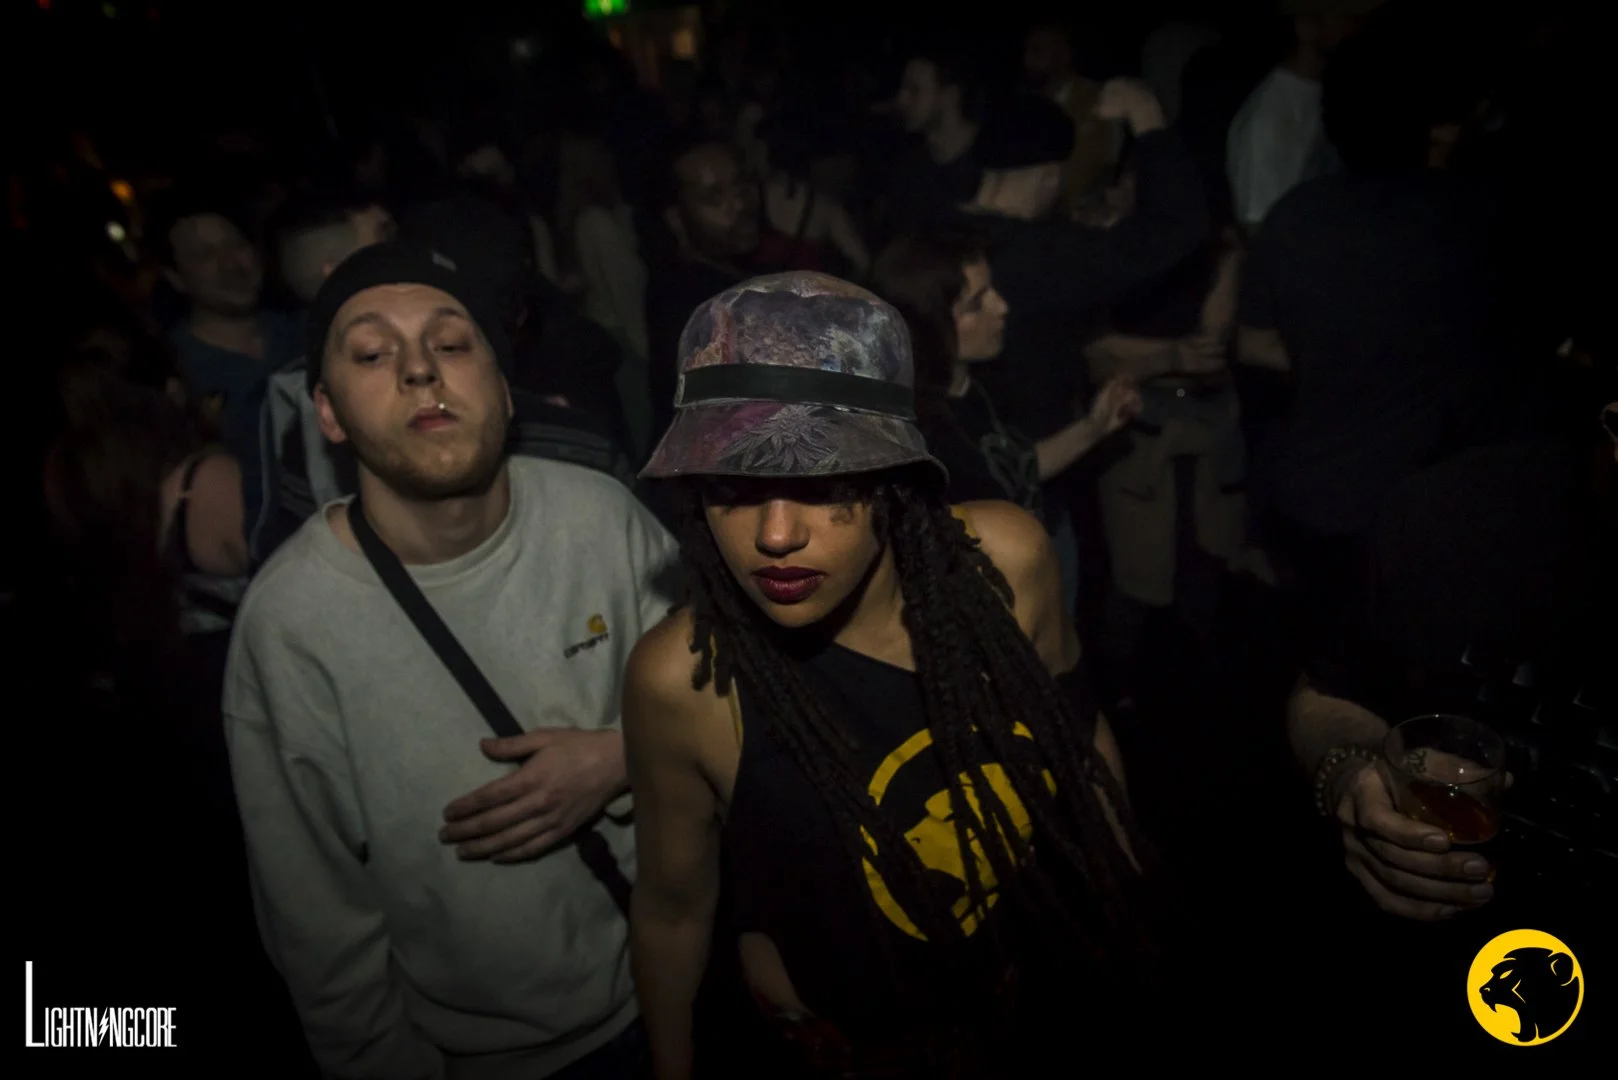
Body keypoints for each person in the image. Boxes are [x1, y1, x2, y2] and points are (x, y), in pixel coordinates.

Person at [624, 272, 1161, 1079]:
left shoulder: (1003, 566)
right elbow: (671, 914)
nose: (774, 535)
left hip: (1032, 1006)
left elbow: (1079, 742)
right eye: (735, 488)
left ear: (891, 478)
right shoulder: (684, 681)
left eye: (821, 481)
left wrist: (1127, 922)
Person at [225, 241, 681, 1078]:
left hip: (683, 988)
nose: (419, 372)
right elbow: (317, 920)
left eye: (452, 343)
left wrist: (624, 754)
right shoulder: (291, 624)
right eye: (371, 353)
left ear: (504, 389)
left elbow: (730, 692)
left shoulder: (600, 516)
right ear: (327, 414)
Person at [872, 231, 1139, 516]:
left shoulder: (973, 387)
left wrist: (1095, 426)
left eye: (992, 290)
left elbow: (1014, 468)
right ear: (927, 326)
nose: (1002, 306)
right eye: (975, 304)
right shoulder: (918, 436)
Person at [152, 187, 302, 539]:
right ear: (175, 277)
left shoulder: (304, 332)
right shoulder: (174, 371)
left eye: (236, 245)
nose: (231, 264)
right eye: (205, 255)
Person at [644, 142, 762, 449]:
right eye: (714, 197)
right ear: (676, 219)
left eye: (740, 187)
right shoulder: (691, 300)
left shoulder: (742, 277)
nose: (738, 204)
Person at [1224, 0, 1378, 230]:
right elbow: (1259, 231)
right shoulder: (1265, 121)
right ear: (1305, 25)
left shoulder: (1346, 96)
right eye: (1344, 15)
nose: (1358, 25)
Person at [555, 131, 652, 459]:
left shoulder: (593, 216)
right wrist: (645, 349)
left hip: (613, 332)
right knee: (642, 431)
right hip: (623, 336)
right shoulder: (596, 221)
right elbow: (622, 288)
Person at [881, 45, 984, 243]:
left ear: (950, 95)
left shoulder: (994, 164)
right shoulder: (909, 167)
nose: (901, 99)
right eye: (902, 89)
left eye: (914, 90)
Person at [1022, 20, 1119, 217]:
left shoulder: (1099, 102)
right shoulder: (1019, 108)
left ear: (1064, 54)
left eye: (1038, 50)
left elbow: (1112, 167)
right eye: (1027, 51)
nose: (1027, 59)